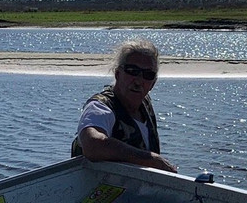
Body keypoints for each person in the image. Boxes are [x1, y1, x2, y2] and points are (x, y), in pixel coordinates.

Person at [71, 38, 178, 172]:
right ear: (118, 74)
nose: (138, 81)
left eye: (148, 75)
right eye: (132, 71)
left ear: (153, 83)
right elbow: (92, 144)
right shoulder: (100, 108)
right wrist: (149, 159)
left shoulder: (145, 104)